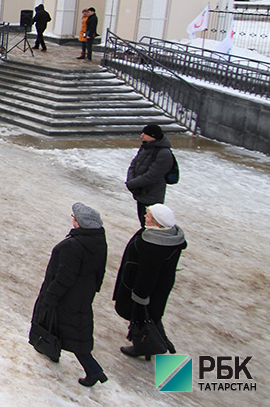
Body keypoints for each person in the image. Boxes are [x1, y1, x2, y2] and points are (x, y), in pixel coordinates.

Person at [32, 203, 109, 387]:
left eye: (74, 216)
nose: (72, 218)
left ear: (79, 222)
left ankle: (94, 370)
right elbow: (100, 272)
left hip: (67, 297)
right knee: (69, 330)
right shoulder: (97, 241)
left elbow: (64, 277)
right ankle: (51, 351)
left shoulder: (73, 246)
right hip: (82, 295)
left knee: (71, 334)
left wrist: (51, 296)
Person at [113, 203, 186, 359]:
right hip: (161, 287)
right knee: (152, 315)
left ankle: (148, 345)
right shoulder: (169, 237)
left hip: (143, 288)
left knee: (142, 316)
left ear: (158, 222)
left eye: (149, 216)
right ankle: (156, 343)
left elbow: (147, 274)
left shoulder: (154, 244)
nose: (145, 216)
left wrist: (139, 296)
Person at [125, 124, 174, 227]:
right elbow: (134, 164)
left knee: (150, 224)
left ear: (153, 136)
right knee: (143, 221)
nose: (142, 135)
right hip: (141, 192)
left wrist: (132, 183)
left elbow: (152, 175)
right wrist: (131, 181)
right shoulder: (146, 146)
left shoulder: (164, 153)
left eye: (145, 133)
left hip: (152, 195)